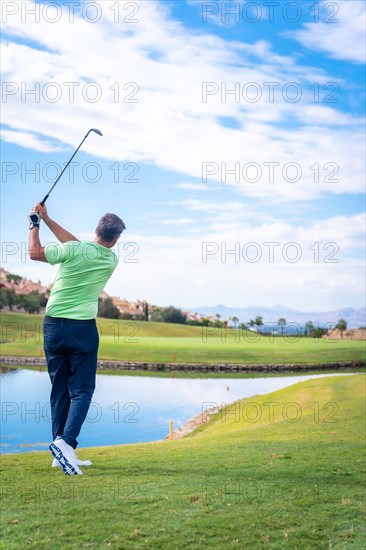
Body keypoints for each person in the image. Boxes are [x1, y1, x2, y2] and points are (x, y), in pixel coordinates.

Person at [28, 203, 126, 475]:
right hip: (82, 328)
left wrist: (35, 223)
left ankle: (60, 450)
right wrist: (46, 219)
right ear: (115, 239)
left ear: (96, 229)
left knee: (59, 388)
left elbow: (35, 252)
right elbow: (78, 245)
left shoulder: (73, 250)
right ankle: (66, 444)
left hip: (53, 326)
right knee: (82, 390)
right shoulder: (110, 259)